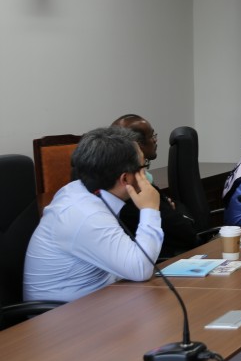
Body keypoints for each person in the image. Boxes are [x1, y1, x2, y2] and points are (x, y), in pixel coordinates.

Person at [24, 127, 164, 302]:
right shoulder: (85, 214)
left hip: (96, 300)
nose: (146, 174)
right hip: (61, 319)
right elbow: (141, 269)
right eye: (144, 166)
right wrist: (150, 209)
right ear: (125, 179)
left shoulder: (80, 191)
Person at [111, 114, 199, 258]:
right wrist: (168, 207)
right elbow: (188, 232)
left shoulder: (120, 185)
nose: (155, 140)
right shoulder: (135, 189)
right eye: (152, 136)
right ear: (137, 145)